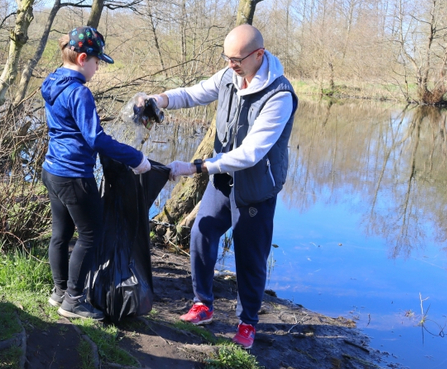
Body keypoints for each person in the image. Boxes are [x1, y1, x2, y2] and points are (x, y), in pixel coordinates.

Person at [145, 24, 297, 349]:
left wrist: (197, 166)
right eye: (227, 58)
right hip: (223, 181)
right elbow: (194, 93)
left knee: (249, 257)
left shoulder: (280, 95)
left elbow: (251, 153)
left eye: (236, 59)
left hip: (256, 187)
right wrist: (161, 99)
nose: (230, 65)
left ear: (259, 55)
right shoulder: (229, 75)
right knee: (202, 232)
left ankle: (247, 323)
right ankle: (203, 304)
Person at [40, 26, 152, 320]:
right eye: (96, 60)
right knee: (91, 234)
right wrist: (136, 157)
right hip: (74, 174)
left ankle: (60, 291)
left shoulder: (52, 82)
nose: (98, 66)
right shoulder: (79, 93)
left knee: (61, 234)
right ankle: (73, 301)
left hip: (52, 169)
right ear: (81, 59)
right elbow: (96, 139)